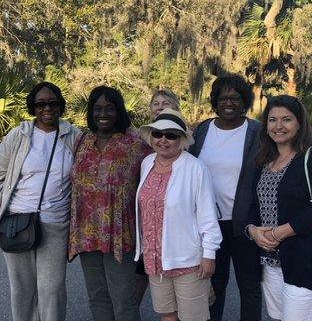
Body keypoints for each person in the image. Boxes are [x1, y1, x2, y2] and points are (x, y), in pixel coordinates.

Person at [0, 81, 80, 321]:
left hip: (56, 223)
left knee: (53, 288)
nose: (47, 108)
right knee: (23, 290)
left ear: (60, 106)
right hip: (17, 221)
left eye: (52, 103)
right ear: (32, 107)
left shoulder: (73, 136)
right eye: (40, 104)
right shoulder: (18, 136)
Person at [246, 95, 312, 321]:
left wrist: (280, 232)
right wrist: (252, 231)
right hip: (270, 263)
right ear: (265, 125)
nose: (278, 126)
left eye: (286, 119)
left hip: (305, 261)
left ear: (299, 124)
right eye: (272, 120)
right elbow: (254, 208)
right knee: (277, 317)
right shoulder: (264, 162)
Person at [68, 85, 148, 321]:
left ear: (119, 111)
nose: (103, 113)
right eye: (98, 108)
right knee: (97, 296)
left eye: (110, 108)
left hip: (119, 235)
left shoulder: (135, 144)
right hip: (86, 232)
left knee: (124, 298)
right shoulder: (82, 141)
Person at [136, 108, 222, 321]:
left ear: (181, 139)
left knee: (193, 318)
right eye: (158, 133)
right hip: (155, 258)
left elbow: (207, 215)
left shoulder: (195, 168)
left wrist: (209, 255)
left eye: (171, 135)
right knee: (167, 315)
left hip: (187, 259)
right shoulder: (147, 163)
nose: (163, 140)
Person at [189, 74, 262, 321]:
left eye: (235, 98)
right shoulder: (202, 130)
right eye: (223, 98)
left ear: (244, 102)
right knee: (214, 284)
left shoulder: (256, 131)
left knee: (249, 285)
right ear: (215, 102)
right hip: (210, 225)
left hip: (246, 225)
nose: (228, 102)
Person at [135, 89, 181, 305]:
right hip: (148, 218)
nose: (160, 106)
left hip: (176, 223)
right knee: (154, 287)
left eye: (166, 102)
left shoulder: (181, 141)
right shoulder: (140, 141)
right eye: (156, 103)